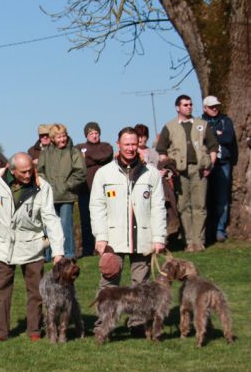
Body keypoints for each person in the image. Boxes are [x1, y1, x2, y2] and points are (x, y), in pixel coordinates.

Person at [0, 152, 64, 342]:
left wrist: (58, 251)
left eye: (30, 171)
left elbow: (51, 219)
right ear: (11, 170)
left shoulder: (43, 188)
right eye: (23, 172)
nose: (28, 175)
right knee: (1, 292)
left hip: (32, 245)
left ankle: (34, 330)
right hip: (0, 245)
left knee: (36, 291)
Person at [90, 127, 166, 290]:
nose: (130, 148)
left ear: (138, 144)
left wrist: (159, 237)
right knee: (108, 285)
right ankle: (106, 317)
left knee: (141, 286)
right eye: (126, 144)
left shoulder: (151, 174)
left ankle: (139, 316)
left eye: (134, 144)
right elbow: (97, 207)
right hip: (112, 238)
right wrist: (100, 236)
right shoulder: (104, 173)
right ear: (118, 144)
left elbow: (158, 207)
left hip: (143, 237)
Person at [156, 95, 218, 252]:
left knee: (200, 206)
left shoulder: (202, 124)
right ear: (178, 107)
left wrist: (210, 164)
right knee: (183, 206)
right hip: (180, 172)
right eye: (185, 105)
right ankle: (189, 241)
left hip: (200, 170)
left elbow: (212, 146)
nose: (189, 107)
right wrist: (169, 166)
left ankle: (199, 241)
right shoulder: (169, 126)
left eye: (190, 104)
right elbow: (161, 149)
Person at [37, 123, 86, 259]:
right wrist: (47, 186)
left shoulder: (73, 151)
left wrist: (67, 185)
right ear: (52, 138)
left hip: (67, 195)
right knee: (49, 226)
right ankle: (49, 255)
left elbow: (80, 172)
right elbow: (40, 172)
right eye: (58, 137)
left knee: (65, 226)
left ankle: (68, 254)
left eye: (63, 136)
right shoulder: (45, 152)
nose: (62, 139)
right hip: (50, 195)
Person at [202, 95, 237, 242]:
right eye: (211, 107)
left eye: (216, 106)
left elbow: (228, 138)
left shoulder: (225, 120)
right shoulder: (200, 122)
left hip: (223, 163)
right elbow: (201, 139)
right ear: (205, 108)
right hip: (207, 163)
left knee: (222, 197)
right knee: (206, 197)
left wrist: (212, 135)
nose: (215, 109)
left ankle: (220, 230)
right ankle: (207, 230)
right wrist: (217, 134)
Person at [75, 122, 113, 257]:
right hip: (85, 190)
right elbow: (78, 161)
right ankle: (88, 249)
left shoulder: (106, 146)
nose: (94, 135)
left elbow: (105, 155)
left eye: (96, 133)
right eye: (91, 133)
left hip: (107, 190)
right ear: (86, 135)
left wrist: (87, 158)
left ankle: (108, 247)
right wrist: (94, 159)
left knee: (108, 217)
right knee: (86, 221)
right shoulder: (79, 147)